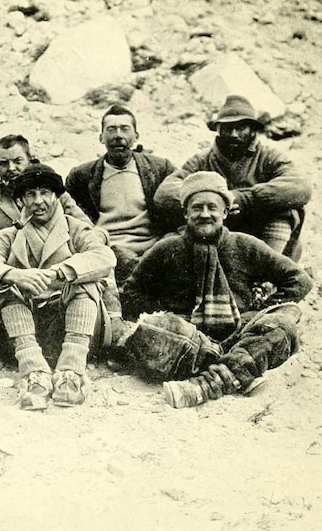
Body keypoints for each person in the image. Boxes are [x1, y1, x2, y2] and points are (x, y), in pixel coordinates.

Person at [122, 171, 312, 408]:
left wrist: (258, 311)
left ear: (225, 212)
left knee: (284, 325)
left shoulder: (245, 244)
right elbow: (132, 292)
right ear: (185, 213)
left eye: (212, 207)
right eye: (197, 207)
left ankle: (206, 384)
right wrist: (168, 317)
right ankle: (238, 371)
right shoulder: (167, 247)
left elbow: (298, 279)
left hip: (238, 331)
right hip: (188, 338)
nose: (204, 214)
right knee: (151, 329)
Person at [0, 164, 116, 410]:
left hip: (73, 327)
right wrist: (14, 274)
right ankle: (34, 373)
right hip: (27, 333)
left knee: (86, 281)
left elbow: (104, 257)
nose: (38, 201)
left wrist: (61, 271)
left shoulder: (75, 228)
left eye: (44, 193)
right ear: (21, 202)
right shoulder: (9, 235)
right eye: (30, 195)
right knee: (3, 285)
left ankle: (72, 374)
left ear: (57, 196)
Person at [0, 134, 92, 366]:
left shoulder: (55, 192)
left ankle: (111, 325)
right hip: (10, 267)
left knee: (92, 263)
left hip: (54, 269)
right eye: (4, 163)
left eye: (18, 161)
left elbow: (86, 227)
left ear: (31, 160)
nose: (11, 168)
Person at [154, 95, 311, 260]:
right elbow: (165, 193)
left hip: (261, 234)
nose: (234, 134)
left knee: (287, 208)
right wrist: (216, 199)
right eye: (228, 128)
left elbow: (300, 186)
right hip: (217, 232)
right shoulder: (202, 160)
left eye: (241, 127)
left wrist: (247, 199)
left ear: (253, 130)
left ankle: (268, 273)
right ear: (218, 130)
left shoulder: (269, 156)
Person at [65, 105, 176, 283]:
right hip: (108, 250)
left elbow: (181, 200)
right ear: (101, 137)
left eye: (125, 129)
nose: (118, 135)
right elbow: (70, 218)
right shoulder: (82, 175)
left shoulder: (160, 168)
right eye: (111, 129)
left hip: (154, 247)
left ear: (136, 136)